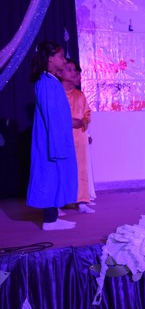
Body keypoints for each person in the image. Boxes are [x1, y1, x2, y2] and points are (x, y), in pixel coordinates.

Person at [26, 41, 77, 230]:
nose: (64, 60)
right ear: (49, 59)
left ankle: (53, 217)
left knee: (55, 177)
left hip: (56, 139)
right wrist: (57, 145)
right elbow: (51, 116)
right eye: (61, 57)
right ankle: (49, 220)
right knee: (48, 177)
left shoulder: (51, 81)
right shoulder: (46, 82)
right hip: (51, 142)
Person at [60, 59, 95, 213]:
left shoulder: (79, 95)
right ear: (60, 72)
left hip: (79, 136)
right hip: (62, 136)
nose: (73, 73)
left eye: (74, 70)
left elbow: (87, 113)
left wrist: (84, 121)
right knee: (62, 167)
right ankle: (59, 202)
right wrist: (68, 122)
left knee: (81, 168)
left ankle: (81, 201)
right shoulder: (57, 93)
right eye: (69, 69)